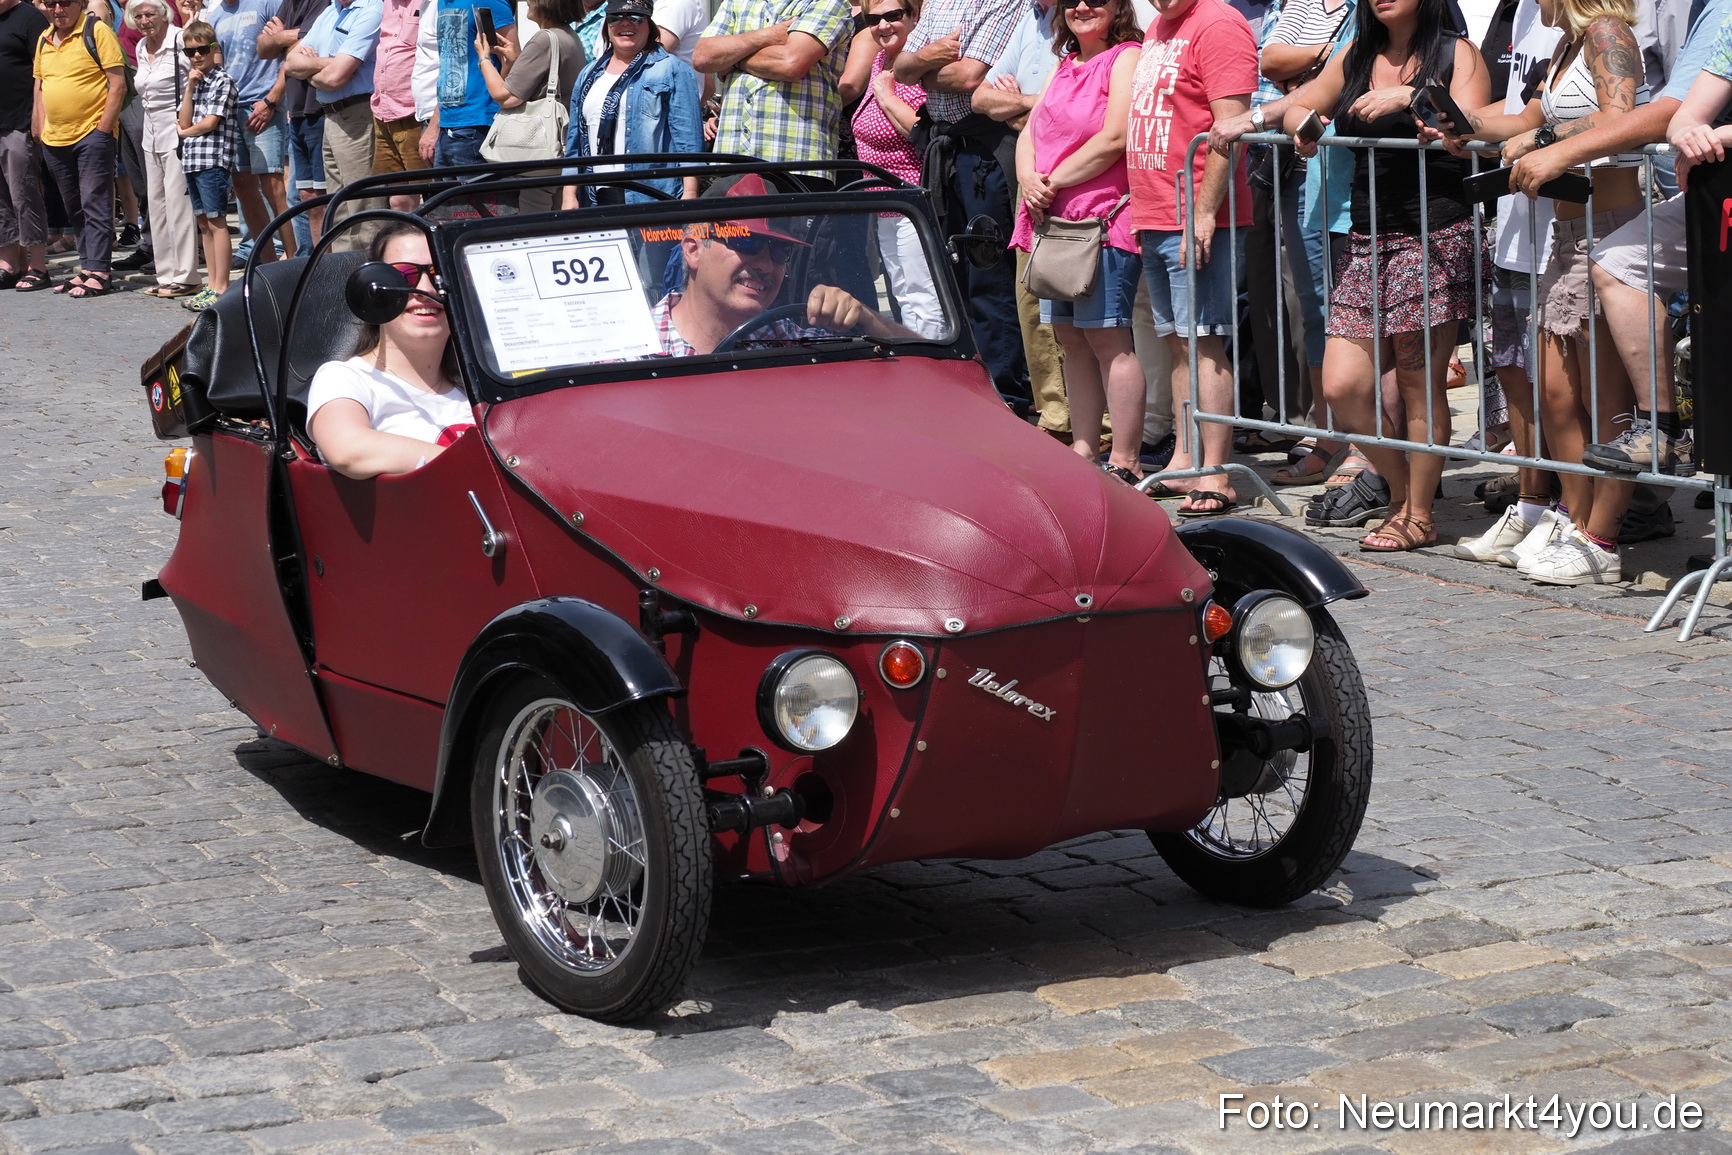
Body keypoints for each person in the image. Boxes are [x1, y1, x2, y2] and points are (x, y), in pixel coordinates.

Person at [1438, 0, 1646, 584]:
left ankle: (1599, 538)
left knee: (1604, 402)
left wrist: (1545, 138)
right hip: (1564, 232)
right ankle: (1571, 520)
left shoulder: (1609, 34)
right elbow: (1524, 119)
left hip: (1606, 231)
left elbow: (1620, 114)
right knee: (1555, 394)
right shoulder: (1566, 48)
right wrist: (1467, 128)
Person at [1278, 0, 1490, 548]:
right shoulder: (1356, 54)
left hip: (1434, 233)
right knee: (1342, 384)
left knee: (1420, 384)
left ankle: (1419, 514)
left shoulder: (1456, 53)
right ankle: (1400, 494)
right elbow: (1298, 104)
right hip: (1366, 236)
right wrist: (1300, 122)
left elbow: (1470, 130)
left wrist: (1413, 97)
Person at [1125, 0, 1258, 516]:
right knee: (1180, 345)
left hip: (1198, 214)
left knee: (1205, 341)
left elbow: (1231, 130)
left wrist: (1203, 213)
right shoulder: (1161, 23)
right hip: (1157, 210)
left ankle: (1218, 472)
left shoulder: (1219, 22)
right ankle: (1186, 458)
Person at [1012, 0, 1143, 480]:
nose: (1083, 7)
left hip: (1101, 221)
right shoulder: (1065, 64)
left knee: (1109, 340)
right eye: (1073, 1)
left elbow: (1115, 137)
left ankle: (1124, 459)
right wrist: (1029, 178)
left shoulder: (1126, 56)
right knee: (1071, 339)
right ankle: (1085, 448)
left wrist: (1051, 181)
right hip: (1055, 222)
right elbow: (1029, 132)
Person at [895, 0, 1030, 406]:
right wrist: (923, 58)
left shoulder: (1005, 1)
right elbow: (899, 67)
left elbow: (970, 76)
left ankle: (1005, 392)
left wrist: (920, 69)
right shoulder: (938, 1)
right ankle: (971, 382)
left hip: (986, 149)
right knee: (954, 276)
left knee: (990, 276)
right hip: (946, 148)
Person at [652, 172, 918, 354]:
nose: (766, 265)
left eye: (780, 250)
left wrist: (865, 317)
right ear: (693, 249)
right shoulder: (632, 348)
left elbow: (926, 363)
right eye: (747, 242)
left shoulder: (787, 339)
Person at [307, 222, 474, 479]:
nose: (426, 290)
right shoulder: (346, 378)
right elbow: (348, 450)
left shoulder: (479, 382)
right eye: (404, 276)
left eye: (439, 274)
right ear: (372, 291)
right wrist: (475, 466)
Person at [848, 0, 943, 337]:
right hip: (884, 205)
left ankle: (936, 377)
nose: (883, 25)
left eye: (893, 16)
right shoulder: (878, 60)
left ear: (914, 15)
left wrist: (887, 97)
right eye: (874, 19)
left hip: (913, 203)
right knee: (903, 295)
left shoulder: (920, 64)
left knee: (924, 297)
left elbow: (923, 133)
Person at [562, 0, 701, 206]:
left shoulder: (672, 70)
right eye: (616, 17)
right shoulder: (588, 74)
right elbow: (574, 143)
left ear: (649, 24)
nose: (625, 23)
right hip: (596, 197)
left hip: (653, 197)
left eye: (635, 17)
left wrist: (690, 194)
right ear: (607, 26)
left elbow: (689, 142)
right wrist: (568, 195)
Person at [31, 0, 127, 297]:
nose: (58, 9)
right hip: (55, 139)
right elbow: (40, 86)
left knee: (95, 203)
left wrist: (102, 130)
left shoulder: (97, 31)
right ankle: (87, 268)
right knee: (74, 208)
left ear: (81, 3)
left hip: (91, 135)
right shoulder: (44, 38)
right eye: (51, 3)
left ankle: (100, 271)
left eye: (65, 2)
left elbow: (118, 84)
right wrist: (41, 128)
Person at [693, 0, 854, 170]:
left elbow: (790, 63)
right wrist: (766, 36)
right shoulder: (735, 2)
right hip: (731, 156)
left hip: (795, 161)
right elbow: (703, 57)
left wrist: (733, 60)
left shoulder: (828, 2)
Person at [204, 0, 293, 261]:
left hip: (263, 105)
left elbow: (291, 52)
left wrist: (273, 99)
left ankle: (294, 260)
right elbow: (217, 67)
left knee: (273, 187)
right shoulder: (217, 15)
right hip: (232, 109)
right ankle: (268, 264)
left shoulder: (267, 3)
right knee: (243, 188)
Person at [283, 0, 380, 234]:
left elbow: (335, 79)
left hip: (356, 114)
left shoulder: (372, 10)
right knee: (338, 210)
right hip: (330, 115)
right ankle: (344, 269)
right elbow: (290, 63)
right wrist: (326, 64)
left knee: (361, 209)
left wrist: (309, 70)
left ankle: (366, 269)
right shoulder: (330, 11)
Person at [475, 0, 581, 211]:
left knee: (533, 219)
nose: (528, 2)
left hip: (539, 151)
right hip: (559, 146)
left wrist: (484, 58)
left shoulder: (544, 39)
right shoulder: (568, 35)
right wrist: (512, 61)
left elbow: (505, 97)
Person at [128, 0, 200, 296]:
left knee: (178, 205)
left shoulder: (180, 38)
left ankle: (186, 276)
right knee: (155, 205)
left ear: (164, 14)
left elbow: (202, 73)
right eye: (139, 15)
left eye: (150, 14)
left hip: (177, 129)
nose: (145, 20)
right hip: (150, 132)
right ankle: (166, 273)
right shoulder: (141, 46)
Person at [176, 19, 238, 310]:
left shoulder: (223, 81)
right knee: (204, 224)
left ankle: (222, 286)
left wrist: (185, 133)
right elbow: (185, 118)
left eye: (202, 50)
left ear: (214, 48)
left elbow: (210, 123)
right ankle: (211, 283)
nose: (197, 56)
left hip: (213, 159)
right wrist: (189, 88)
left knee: (217, 221)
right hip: (192, 160)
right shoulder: (196, 82)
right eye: (190, 52)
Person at [257, 0, 327, 251]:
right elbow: (263, 48)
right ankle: (307, 264)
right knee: (302, 196)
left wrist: (281, 40)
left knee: (320, 198)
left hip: (319, 108)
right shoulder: (289, 4)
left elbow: (303, 47)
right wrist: (286, 41)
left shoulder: (322, 3)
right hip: (296, 111)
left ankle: (325, 269)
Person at [0, 0, 50, 291]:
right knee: (1, 199)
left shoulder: (30, 18)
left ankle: (38, 265)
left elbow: (43, 74)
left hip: (19, 120)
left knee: (24, 194)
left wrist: (37, 118)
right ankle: (8, 264)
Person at [427, 0, 514, 166]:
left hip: (478, 127)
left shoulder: (489, 2)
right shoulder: (441, 3)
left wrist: (500, 101)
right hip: (447, 126)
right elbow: (450, 64)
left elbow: (513, 58)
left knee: (473, 192)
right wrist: (435, 124)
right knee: (442, 193)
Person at [368, 0, 423, 206]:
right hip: (383, 110)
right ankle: (399, 237)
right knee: (396, 198)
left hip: (413, 113)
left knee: (425, 194)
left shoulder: (428, 4)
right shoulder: (385, 4)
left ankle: (422, 238)